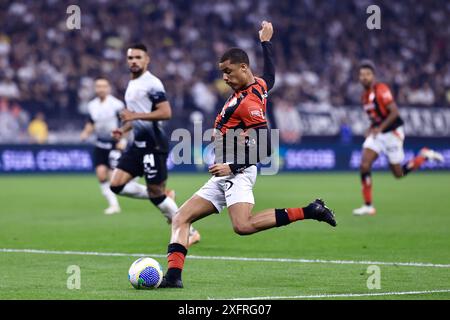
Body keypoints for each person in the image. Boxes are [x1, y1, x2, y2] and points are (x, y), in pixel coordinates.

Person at [159, 21, 337, 289]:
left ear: (243, 68)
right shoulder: (257, 87)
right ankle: (173, 278)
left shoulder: (249, 102)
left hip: (236, 171)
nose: (225, 78)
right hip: (225, 170)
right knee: (180, 217)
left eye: (229, 72)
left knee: (242, 226)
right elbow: (271, 77)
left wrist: (232, 165)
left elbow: (266, 147)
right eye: (222, 73)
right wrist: (266, 43)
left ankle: (310, 211)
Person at [110, 43, 200, 246]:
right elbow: (137, 118)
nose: (134, 61)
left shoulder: (152, 83)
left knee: (155, 195)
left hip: (153, 144)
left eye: (138, 57)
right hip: (137, 143)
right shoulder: (132, 84)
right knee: (116, 185)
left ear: (147, 60)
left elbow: (166, 112)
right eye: (131, 58)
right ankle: (164, 195)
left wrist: (134, 115)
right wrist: (123, 130)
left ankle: (191, 232)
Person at [353, 60, 444, 216]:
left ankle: (423, 156)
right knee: (364, 164)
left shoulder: (381, 90)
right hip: (378, 134)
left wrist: (380, 128)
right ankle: (368, 206)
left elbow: (394, 112)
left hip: (393, 133)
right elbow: (376, 117)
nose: (364, 77)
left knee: (398, 173)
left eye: (367, 74)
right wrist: (371, 128)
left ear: (373, 76)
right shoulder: (364, 96)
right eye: (362, 75)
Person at [80, 77, 129, 214]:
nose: (101, 89)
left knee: (115, 178)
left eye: (104, 86)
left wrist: (123, 141)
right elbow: (91, 123)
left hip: (114, 143)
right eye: (98, 86)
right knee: (101, 175)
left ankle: (147, 190)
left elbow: (125, 123)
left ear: (108, 88)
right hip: (100, 143)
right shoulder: (92, 105)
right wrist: (85, 133)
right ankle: (114, 205)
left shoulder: (117, 104)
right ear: (95, 89)